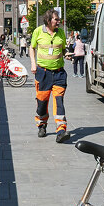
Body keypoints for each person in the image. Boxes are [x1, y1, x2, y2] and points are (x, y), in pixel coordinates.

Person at [29, 9, 70, 143]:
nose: (59, 22)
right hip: (43, 73)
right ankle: (42, 125)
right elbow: (32, 47)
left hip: (59, 72)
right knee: (42, 102)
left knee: (59, 101)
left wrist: (67, 54)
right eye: (56, 19)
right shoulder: (38, 32)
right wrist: (33, 64)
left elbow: (63, 49)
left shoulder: (61, 33)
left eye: (58, 19)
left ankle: (61, 130)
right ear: (48, 20)